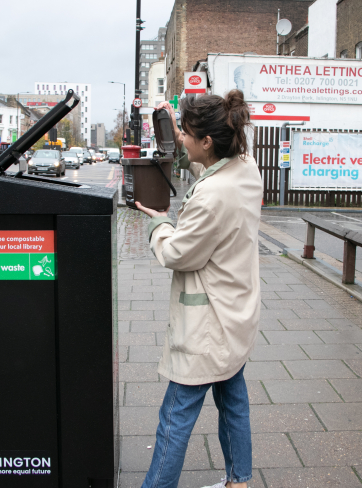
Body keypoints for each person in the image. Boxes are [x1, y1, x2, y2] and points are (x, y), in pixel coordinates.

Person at [134, 89, 263, 488]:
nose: (183, 140)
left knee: (174, 417)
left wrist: (159, 222)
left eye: (187, 134)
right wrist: (173, 128)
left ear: (206, 141)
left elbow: (177, 254)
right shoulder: (244, 167)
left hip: (207, 324)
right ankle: (239, 480)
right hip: (237, 311)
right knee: (233, 403)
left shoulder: (212, 197)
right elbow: (207, 171)